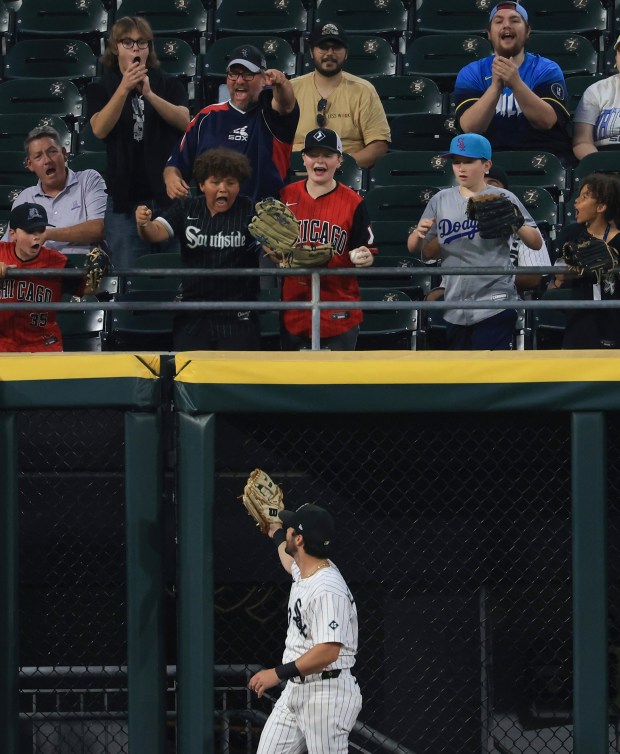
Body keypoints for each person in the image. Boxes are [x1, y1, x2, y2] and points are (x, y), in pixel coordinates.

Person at [407, 133, 543, 350]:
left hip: (495, 301)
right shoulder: (440, 200)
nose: (461, 168)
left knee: (489, 376)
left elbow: (536, 242)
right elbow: (418, 250)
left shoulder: (502, 197)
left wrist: (516, 222)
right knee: (462, 376)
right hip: (455, 304)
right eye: (456, 162)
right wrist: (418, 234)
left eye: (468, 161)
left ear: (486, 165)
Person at [249, 503, 362, 754]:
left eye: (290, 529)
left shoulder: (327, 589)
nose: (287, 531)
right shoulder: (308, 568)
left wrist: (276, 674)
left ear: (299, 539)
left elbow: (328, 652)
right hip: (296, 690)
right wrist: (276, 531)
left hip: (327, 694)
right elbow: (289, 560)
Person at [86, 16, 190, 269]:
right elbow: (99, 128)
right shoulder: (101, 87)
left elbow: (185, 121)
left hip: (168, 199)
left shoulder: (168, 83)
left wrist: (150, 95)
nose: (135, 48)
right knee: (129, 278)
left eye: (142, 43)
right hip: (125, 201)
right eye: (128, 42)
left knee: (175, 278)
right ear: (115, 47)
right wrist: (124, 88)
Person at [135, 148, 262, 351]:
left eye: (231, 183)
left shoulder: (249, 210)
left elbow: (273, 246)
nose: (223, 189)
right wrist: (143, 223)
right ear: (202, 185)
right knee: (189, 378)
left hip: (238, 316)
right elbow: (155, 232)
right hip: (193, 315)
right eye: (215, 182)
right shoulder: (187, 207)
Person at [275, 128, 375, 351]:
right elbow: (272, 248)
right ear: (303, 159)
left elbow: (365, 249)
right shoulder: (285, 197)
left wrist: (363, 257)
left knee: (337, 382)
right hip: (294, 307)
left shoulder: (353, 202)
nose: (319, 161)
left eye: (328, 155)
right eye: (313, 154)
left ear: (339, 160)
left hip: (339, 308)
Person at [164, 44, 299, 203]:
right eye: (233, 74)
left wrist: (281, 82)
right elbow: (175, 164)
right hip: (213, 220)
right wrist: (171, 178)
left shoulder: (271, 113)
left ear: (263, 80)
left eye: (248, 74)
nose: (239, 80)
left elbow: (286, 104)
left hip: (263, 219)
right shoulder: (206, 117)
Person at [453, 1, 572, 163]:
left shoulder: (546, 69)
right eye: (499, 21)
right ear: (489, 33)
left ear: (528, 31)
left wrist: (516, 84)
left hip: (540, 160)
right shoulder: (472, 72)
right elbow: (471, 128)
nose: (506, 25)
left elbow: (546, 121)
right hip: (487, 163)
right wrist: (495, 87)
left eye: (515, 20)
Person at [425, 163, 551, 300]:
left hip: (501, 297)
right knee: (434, 298)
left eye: (492, 184)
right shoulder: (452, 222)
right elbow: (428, 254)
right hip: (455, 297)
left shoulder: (524, 227)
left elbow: (533, 278)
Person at [290, 22, 390, 168]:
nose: (330, 53)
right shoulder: (291, 89)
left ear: (346, 53)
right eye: (323, 47)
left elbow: (378, 146)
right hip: (296, 173)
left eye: (336, 48)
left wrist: (335, 166)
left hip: (345, 176)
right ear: (311, 52)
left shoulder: (363, 90)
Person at [1, 125, 106, 256]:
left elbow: (99, 228)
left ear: (64, 154)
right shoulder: (25, 198)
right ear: (30, 165)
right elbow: (9, 244)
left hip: (82, 271)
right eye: (38, 156)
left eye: (52, 152)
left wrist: (48, 234)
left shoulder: (88, 180)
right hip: (37, 273)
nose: (47, 160)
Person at [0, 203, 89, 352]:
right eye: (29, 231)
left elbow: (88, 289)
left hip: (44, 345)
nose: (36, 237)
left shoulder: (58, 261)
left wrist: (96, 275)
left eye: (40, 230)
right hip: (3, 345)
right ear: (13, 233)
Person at [549, 174, 620, 349]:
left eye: (584, 197)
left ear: (601, 207)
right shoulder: (571, 234)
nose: (576, 201)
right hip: (579, 316)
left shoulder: (618, 240)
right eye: (578, 196)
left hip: (613, 317)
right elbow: (558, 274)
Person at [572, 35, 620, 160]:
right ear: (616, 57)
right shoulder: (597, 90)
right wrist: (599, 164)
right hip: (603, 163)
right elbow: (582, 142)